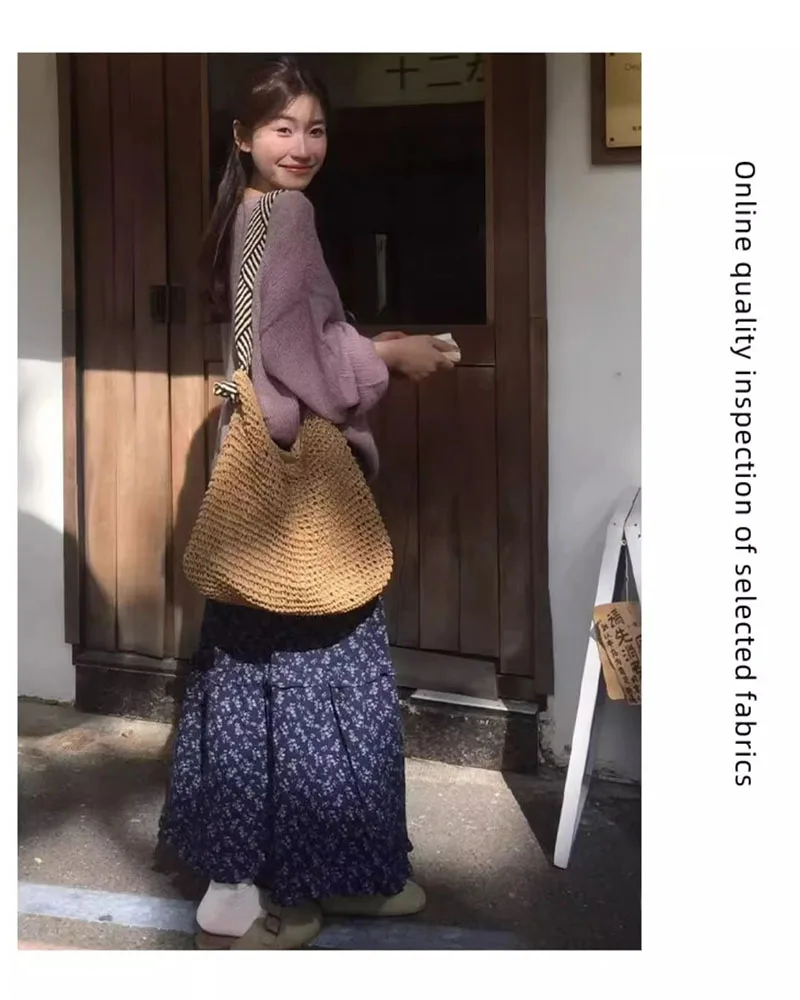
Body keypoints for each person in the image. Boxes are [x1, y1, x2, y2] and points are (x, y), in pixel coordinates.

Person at [158, 56, 455, 950]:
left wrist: (357, 342)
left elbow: (279, 341)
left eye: (315, 128)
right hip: (295, 487)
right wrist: (388, 359)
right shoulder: (287, 214)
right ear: (243, 136)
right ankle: (267, 892)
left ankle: (263, 878)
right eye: (282, 127)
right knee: (315, 676)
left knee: (250, 681)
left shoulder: (245, 215)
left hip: (255, 478)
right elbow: (292, 363)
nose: (302, 145)